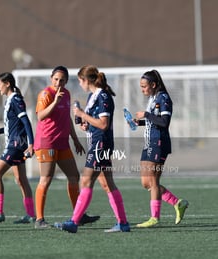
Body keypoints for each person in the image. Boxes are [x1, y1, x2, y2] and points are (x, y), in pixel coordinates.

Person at [54, 65, 130, 233]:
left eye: (80, 81)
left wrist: (82, 115)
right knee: (107, 183)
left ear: (86, 80)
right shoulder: (92, 96)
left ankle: (74, 222)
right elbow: (95, 123)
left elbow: (104, 124)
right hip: (97, 142)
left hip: (100, 144)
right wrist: (86, 125)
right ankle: (123, 223)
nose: (79, 84)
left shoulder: (103, 96)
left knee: (86, 181)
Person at [33, 65, 100, 229]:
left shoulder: (67, 94)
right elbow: (40, 116)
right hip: (46, 142)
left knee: (74, 177)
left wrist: (75, 140)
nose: (58, 83)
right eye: (56, 79)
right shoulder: (46, 94)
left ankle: (79, 215)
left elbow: (67, 119)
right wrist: (55, 102)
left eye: (62, 80)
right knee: (46, 179)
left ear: (66, 81)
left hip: (62, 143)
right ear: (51, 79)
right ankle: (39, 220)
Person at [134, 69, 189, 228]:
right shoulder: (153, 98)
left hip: (159, 143)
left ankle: (154, 217)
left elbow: (164, 122)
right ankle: (177, 203)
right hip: (149, 143)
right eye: (141, 86)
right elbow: (154, 121)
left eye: (144, 86)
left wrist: (146, 114)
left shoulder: (163, 98)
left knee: (153, 180)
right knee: (146, 183)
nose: (142, 89)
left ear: (153, 84)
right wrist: (141, 122)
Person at [0, 72, 36, 224]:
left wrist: (31, 144)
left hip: (16, 146)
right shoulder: (10, 101)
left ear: (7, 83)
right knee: (21, 179)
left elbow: (26, 122)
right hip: (15, 144)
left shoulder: (16, 99)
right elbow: (13, 125)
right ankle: (31, 214)